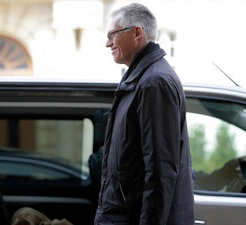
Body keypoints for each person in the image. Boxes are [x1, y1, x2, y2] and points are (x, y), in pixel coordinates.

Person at [94, 3, 194, 225]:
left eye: (112, 34)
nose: (107, 42)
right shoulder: (140, 77)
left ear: (137, 32)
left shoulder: (154, 82)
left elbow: (160, 172)